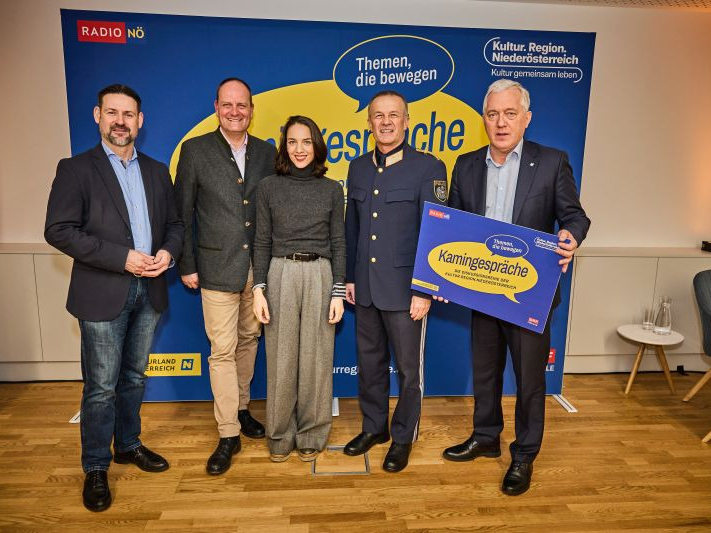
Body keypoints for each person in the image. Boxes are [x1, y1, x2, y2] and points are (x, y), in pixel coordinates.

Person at [442, 79, 590, 496]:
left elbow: (575, 216)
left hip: (530, 294)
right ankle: (486, 436)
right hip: (482, 289)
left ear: (526, 118)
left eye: (510, 113)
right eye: (493, 114)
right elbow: (452, 224)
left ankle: (524, 454)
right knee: (485, 371)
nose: (501, 122)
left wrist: (572, 236)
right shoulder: (466, 165)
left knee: (529, 380)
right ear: (484, 119)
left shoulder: (552, 162)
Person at [44, 84, 183, 512]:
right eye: (112, 113)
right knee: (101, 387)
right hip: (102, 292)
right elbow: (59, 230)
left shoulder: (157, 171)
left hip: (150, 290)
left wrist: (168, 252)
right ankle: (95, 467)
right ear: (98, 116)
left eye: (128, 114)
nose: (120, 121)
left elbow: (175, 225)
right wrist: (122, 259)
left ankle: (127, 444)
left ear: (140, 121)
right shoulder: (76, 169)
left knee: (134, 378)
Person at [174, 77, 276, 475]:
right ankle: (228, 432)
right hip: (215, 268)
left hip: (258, 270)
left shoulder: (267, 152)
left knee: (249, 341)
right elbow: (182, 213)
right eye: (228, 105)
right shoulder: (195, 150)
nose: (235, 112)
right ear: (216, 107)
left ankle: (242, 408)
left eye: (242, 105)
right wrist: (186, 264)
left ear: (251, 110)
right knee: (221, 350)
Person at [343, 90, 448, 473]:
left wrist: (425, 289)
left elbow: (436, 234)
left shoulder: (428, 167)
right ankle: (375, 428)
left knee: (408, 370)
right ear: (369, 122)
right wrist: (350, 278)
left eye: (393, 115)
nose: (385, 122)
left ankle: (403, 437)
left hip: (407, 291)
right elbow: (352, 228)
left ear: (406, 121)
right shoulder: (358, 167)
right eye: (378, 115)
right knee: (369, 364)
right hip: (366, 287)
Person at [251, 115, 345, 462]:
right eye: (292, 142)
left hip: (321, 273)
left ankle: (311, 434)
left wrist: (338, 292)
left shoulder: (332, 189)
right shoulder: (268, 187)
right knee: (281, 358)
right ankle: (279, 435)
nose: (299, 149)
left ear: (316, 145)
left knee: (317, 359)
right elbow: (261, 241)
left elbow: (339, 242)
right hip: (281, 273)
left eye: (306, 142)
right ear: (284, 147)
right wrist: (259, 289)